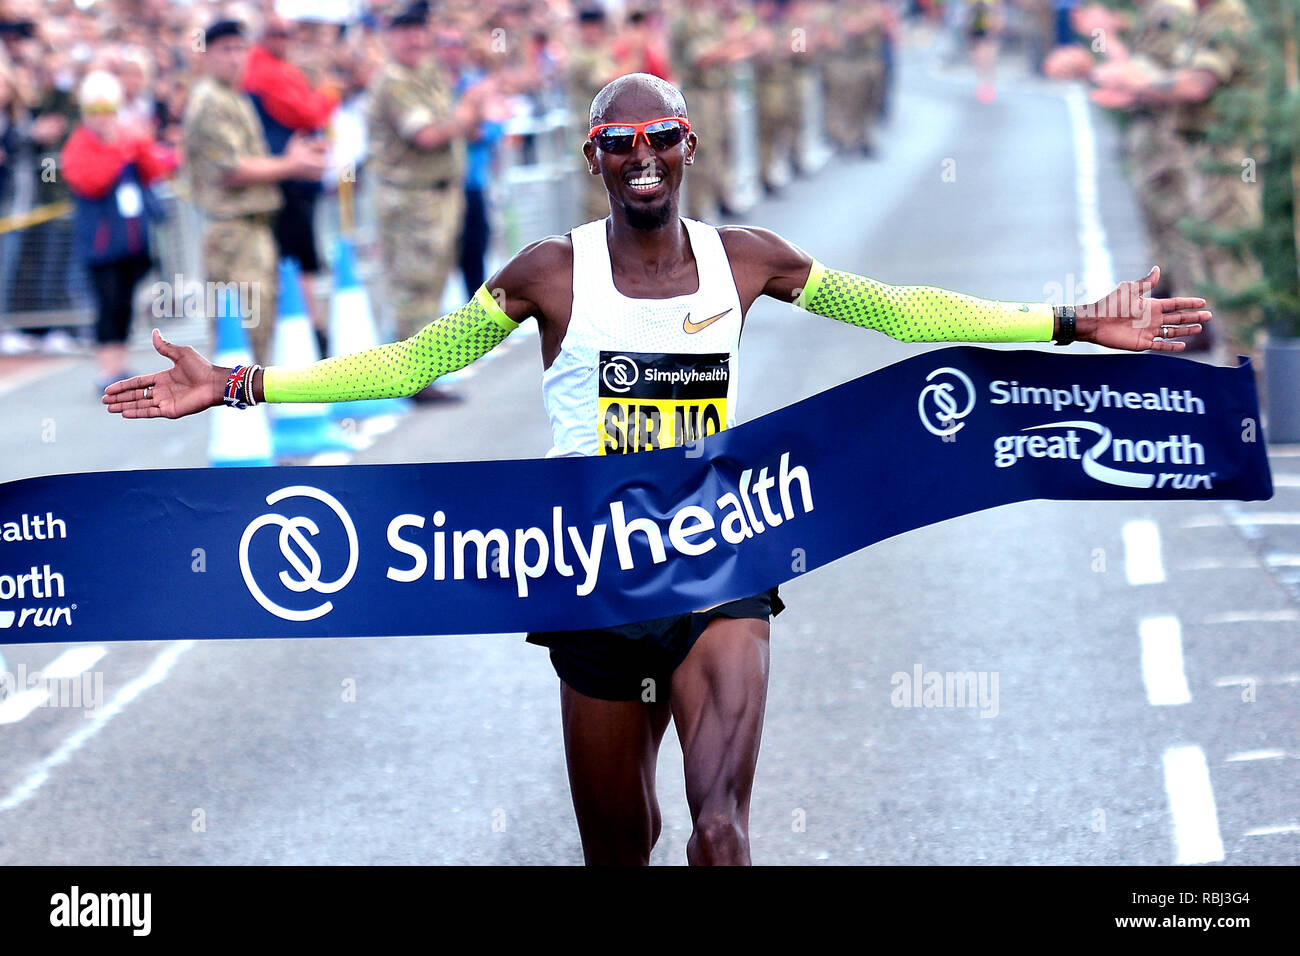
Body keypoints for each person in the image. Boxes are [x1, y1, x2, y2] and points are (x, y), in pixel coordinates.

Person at [103, 72, 1212, 866]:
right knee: (621, 841)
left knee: (721, 829)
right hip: (590, 572)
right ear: (592, 160)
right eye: (620, 145)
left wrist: (1066, 321)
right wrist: (241, 384)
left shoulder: (747, 260)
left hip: (714, 555)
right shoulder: (548, 272)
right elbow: (413, 358)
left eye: (664, 140)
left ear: (690, 149)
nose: (643, 160)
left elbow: (901, 309)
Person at [181, 18, 328, 365]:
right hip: (233, 229)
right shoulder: (209, 100)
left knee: (259, 326)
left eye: (239, 48)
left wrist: (288, 161)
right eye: (225, 50)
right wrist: (291, 165)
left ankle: (250, 410)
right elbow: (230, 170)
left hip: (252, 226)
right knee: (243, 331)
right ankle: (241, 412)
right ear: (207, 55)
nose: (235, 58)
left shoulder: (233, 96)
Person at [60, 70, 175, 392]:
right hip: (100, 243)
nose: (103, 118)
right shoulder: (79, 145)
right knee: (107, 304)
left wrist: (139, 146)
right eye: (96, 111)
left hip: (131, 239)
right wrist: (119, 150)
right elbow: (89, 181)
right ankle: (106, 367)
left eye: (109, 110)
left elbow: (155, 171)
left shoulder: (128, 139)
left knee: (124, 302)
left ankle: (121, 364)